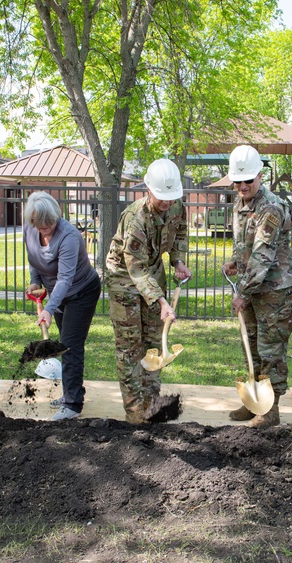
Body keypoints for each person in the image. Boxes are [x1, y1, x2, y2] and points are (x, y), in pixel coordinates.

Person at [104, 158, 191, 424]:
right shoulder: (135, 219)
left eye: (170, 197)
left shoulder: (176, 205)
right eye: (161, 198)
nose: (166, 203)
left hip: (152, 270)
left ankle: (152, 404)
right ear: (149, 190)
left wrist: (178, 261)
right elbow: (136, 269)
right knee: (131, 346)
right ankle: (135, 414)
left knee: (154, 341)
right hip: (124, 278)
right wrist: (162, 301)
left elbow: (180, 234)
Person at [221, 145, 292, 429]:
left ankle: (271, 409)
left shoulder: (271, 208)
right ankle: (255, 401)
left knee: (270, 351)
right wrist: (233, 261)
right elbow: (245, 244)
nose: (242, 186)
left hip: (274, 294)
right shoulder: (240, 204)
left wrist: (241, 292)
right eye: (237, 181)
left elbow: (262, 257)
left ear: (260, 176)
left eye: (248, 180)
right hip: (252, 289)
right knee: (250, 346)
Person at [23, 191, 102, 421]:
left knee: (70, 345)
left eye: (49, 223)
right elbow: (33, 257)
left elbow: (65, 279)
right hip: (58, 294)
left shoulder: (69, 236)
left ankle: (73, 404)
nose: (44, 227)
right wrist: (35, 280)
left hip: (81, 291)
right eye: (39, 224)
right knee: (64, 343)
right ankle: (72, 391)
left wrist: (48, 308)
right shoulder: (30, 228)